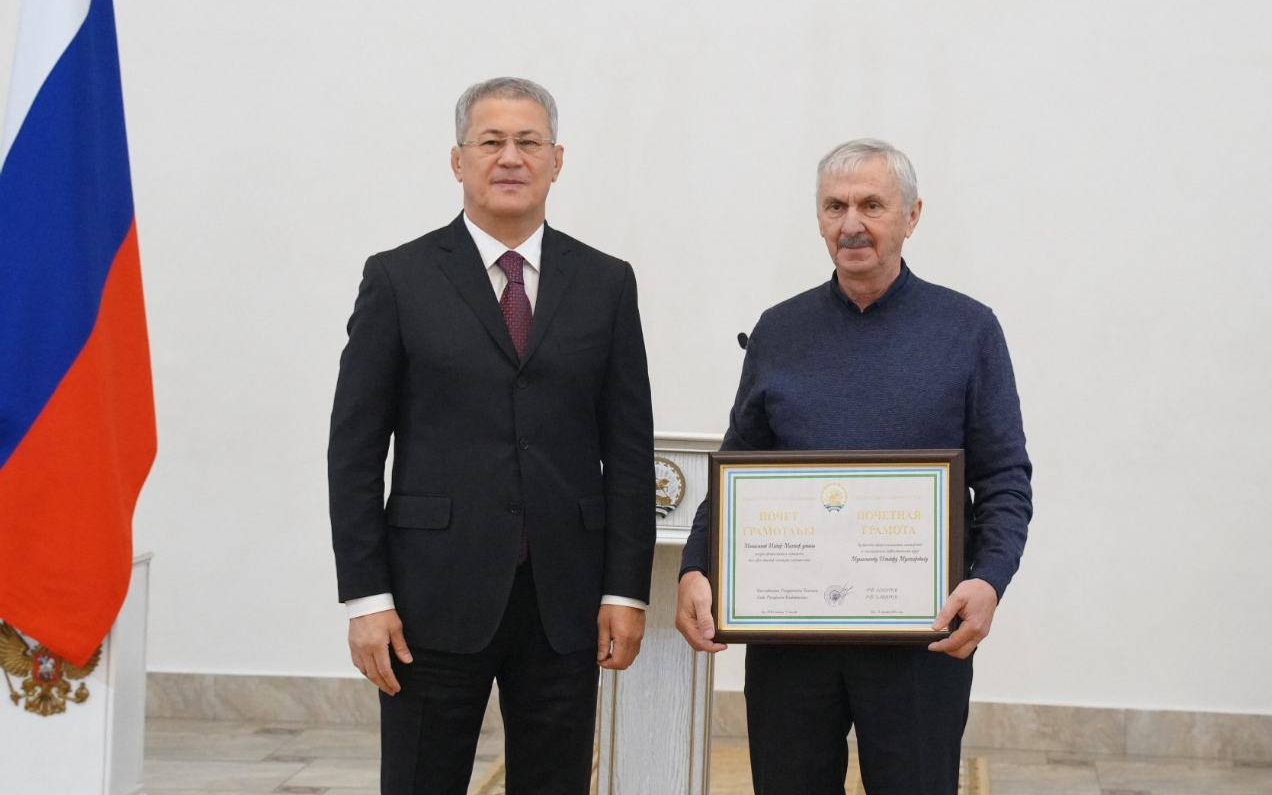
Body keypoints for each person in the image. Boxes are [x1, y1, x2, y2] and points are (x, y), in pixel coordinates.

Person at [327, 78, 655, 795]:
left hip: (565, 600)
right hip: (428, 599)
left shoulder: (606, 283)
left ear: (557, 161)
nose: (511, 157)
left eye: (529, 142)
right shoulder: (399, 278)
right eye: (491, 141)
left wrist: (626, 592)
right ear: (458, 160)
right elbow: (353, 452)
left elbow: (630, 451)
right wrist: (366, 598)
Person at [675, 138, 1033, 795]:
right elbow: (737, 466)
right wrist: (696, 565)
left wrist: (989, 580)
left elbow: (1005, 479)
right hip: (789, 637)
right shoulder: (779, 330)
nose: (851, 224)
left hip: (921, 640)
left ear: (912, 216)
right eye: (835, 206)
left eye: (872, 205)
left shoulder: (968, 330)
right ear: (818, 218)